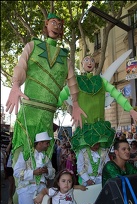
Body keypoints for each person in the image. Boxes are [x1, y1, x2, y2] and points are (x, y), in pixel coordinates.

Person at [5, 12, 86, 184]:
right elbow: (21, 65)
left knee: (45, 151)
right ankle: (20, 194)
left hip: (48, 113)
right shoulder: (33, 45)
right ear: (46, 24)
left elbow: (72, 82)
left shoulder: (65, 57)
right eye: (53, 22)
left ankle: (40, 189)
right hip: (29, 108)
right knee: (23, 148)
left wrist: (76, 104)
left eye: (59, 23)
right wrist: (15, 85)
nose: (56, 26)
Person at [58, 55, 137, 153]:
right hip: (83, 132)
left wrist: (130, 109)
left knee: (101, 159)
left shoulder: (101, 81)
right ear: (81, 64)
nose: (90, 63)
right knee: (84, 161)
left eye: (92, 60)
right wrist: (48, 108)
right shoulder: (76, 82)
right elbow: (61, 96)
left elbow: (117, 94)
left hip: (101, 132)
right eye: (86, 60)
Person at [13, 131, 55, 204]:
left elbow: (52, 173)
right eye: (46, 143)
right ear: (40, 143)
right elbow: (17, 172)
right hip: (26, 188)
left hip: (42, 188)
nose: (48, 145)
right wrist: (32, 172)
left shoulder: (46, 157)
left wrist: (47, 171)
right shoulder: (25, 155)